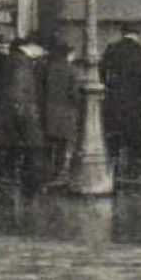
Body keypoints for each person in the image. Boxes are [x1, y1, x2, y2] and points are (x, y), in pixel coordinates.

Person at [0, 34, 47, 196]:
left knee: (4, 150)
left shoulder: (11, 60)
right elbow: (19, 91)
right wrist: (26, 114)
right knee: (33, 147)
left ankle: (0, 183)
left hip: (6, 113)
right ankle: (30, 186)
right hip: (20, 114)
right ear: (31, 46)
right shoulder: (22, 63)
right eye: (40, 49)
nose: (42, 52)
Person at [100, 24, 141, 175]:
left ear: (122, 33)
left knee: (114, 136)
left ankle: (113, 170)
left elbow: (101, 73)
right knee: (135, 137)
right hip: (135, 102)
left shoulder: (111, 50)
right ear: (137, 35)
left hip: (114, 100)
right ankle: (133, 169)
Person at [41, 39, 82, 184]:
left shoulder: (47, 67)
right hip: (65, 113)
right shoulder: (71, 70)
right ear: (68, 54)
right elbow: (74, 94)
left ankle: (45, 173)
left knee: (48, 144)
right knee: (62, 146)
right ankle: (58, 175)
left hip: (48, 111)